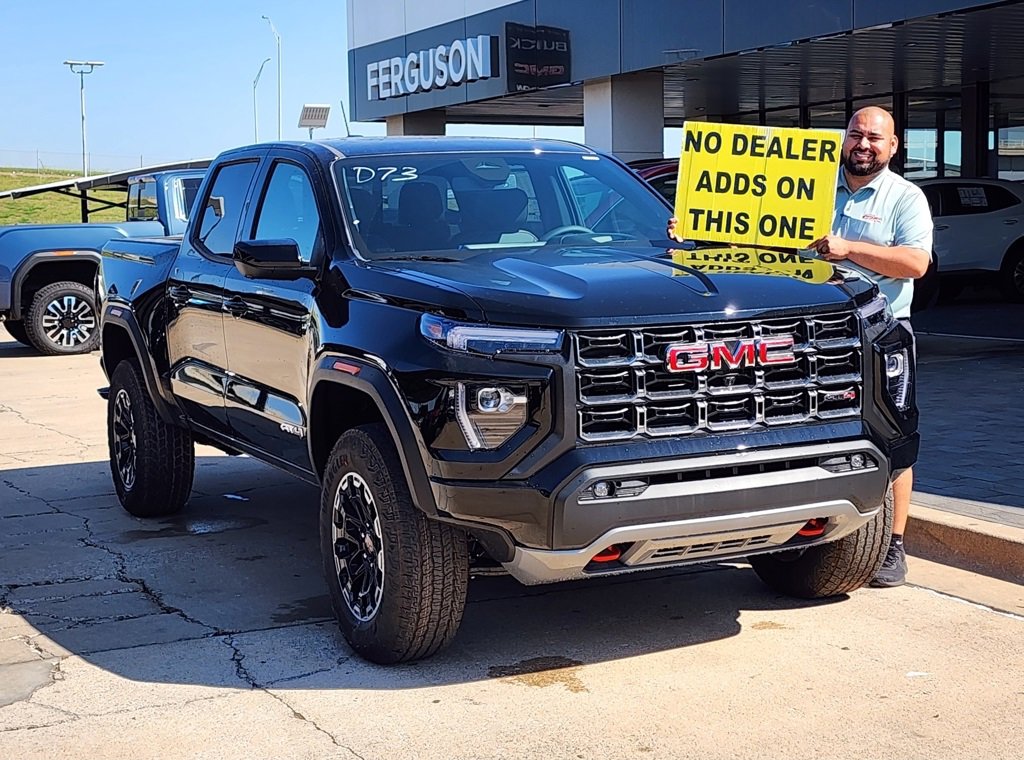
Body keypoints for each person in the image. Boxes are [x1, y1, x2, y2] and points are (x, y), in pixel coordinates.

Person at [669, 107, 932, 587]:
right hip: (803, 333)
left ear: (893, 146)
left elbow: (915, 263)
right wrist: (696, 232)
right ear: (843, 139)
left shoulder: (904, 197)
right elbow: (754, 240)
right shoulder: (809, 188)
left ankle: (892, 545)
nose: (863, 144)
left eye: (875, 137)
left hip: (878, 332)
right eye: (855, 134)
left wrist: (849, 249)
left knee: (892, 433)